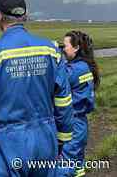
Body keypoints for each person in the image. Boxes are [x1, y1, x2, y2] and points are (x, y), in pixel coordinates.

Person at [0, 0, 73, 177]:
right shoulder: (51, 51)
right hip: (46, 140)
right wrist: (61, 140)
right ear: (26, 16)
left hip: (6, 147)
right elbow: (64, 102)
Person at [57, 31, 99, 177]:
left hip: (72, 124)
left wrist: (54, 55)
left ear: (76, 48)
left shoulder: (75, 69)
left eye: (65, 45)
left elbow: (58, 79)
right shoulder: (84, 66)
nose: (63, 49)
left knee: (64, 166)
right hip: (80, 123)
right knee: (77, 164)